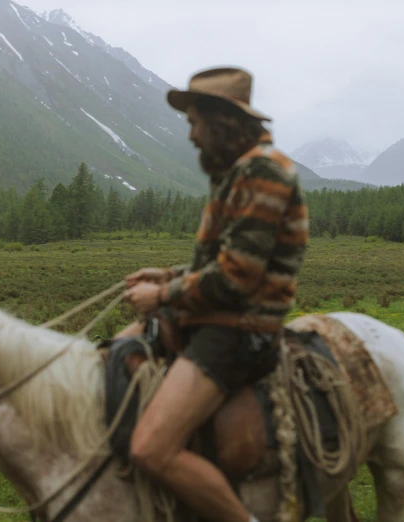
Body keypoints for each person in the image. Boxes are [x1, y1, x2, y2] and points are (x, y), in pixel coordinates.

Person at [122, 66, 309, 522]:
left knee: (150, 449)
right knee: (119, 351)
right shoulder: (238, 172)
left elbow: (236, 280)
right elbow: (222, 264)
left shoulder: (263, 172)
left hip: (241, 329)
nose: (191, 135)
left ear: (222, 122)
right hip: (216, 316)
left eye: (195, 123)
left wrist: (164, 294)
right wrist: (166, 275)